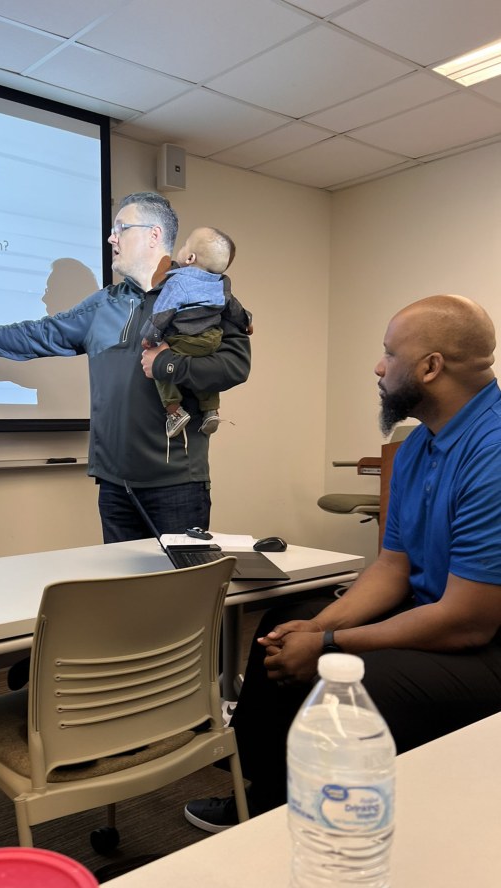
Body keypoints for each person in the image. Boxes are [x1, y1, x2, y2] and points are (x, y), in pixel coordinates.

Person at [185, 294, 501, 832]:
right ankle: (260, 801)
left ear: (430, 367)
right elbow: (391, 569)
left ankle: (322, 827)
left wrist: (331, 646)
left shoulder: (491, 453)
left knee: (352, 682)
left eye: (388, 354)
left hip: (486, 642)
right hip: (438, 615)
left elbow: (467, 622)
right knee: (280, 629)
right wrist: (315, 627)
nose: (379, 367)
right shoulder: (420, 446)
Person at [0, 192, 251, 543]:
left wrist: (167, 364)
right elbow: (36, 334)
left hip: (176, 486)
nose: (111, 237)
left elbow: (234, 365)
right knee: (124, 596)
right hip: (114, 487)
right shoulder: (103, 305)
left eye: (121, 227)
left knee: (180, 594)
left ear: (154, 235)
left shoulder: (205, 295)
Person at [140, 226, 246, 447]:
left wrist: (150, 338)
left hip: (185, 340)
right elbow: (234, 309)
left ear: (189, 257)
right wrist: (248, 322)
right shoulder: (221, 283)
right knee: (205, 375)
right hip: (212, 341)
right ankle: (210, 411)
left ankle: (174, 412)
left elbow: (162, 313)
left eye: (185, 243)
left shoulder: (178, 282)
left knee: (158, 362)